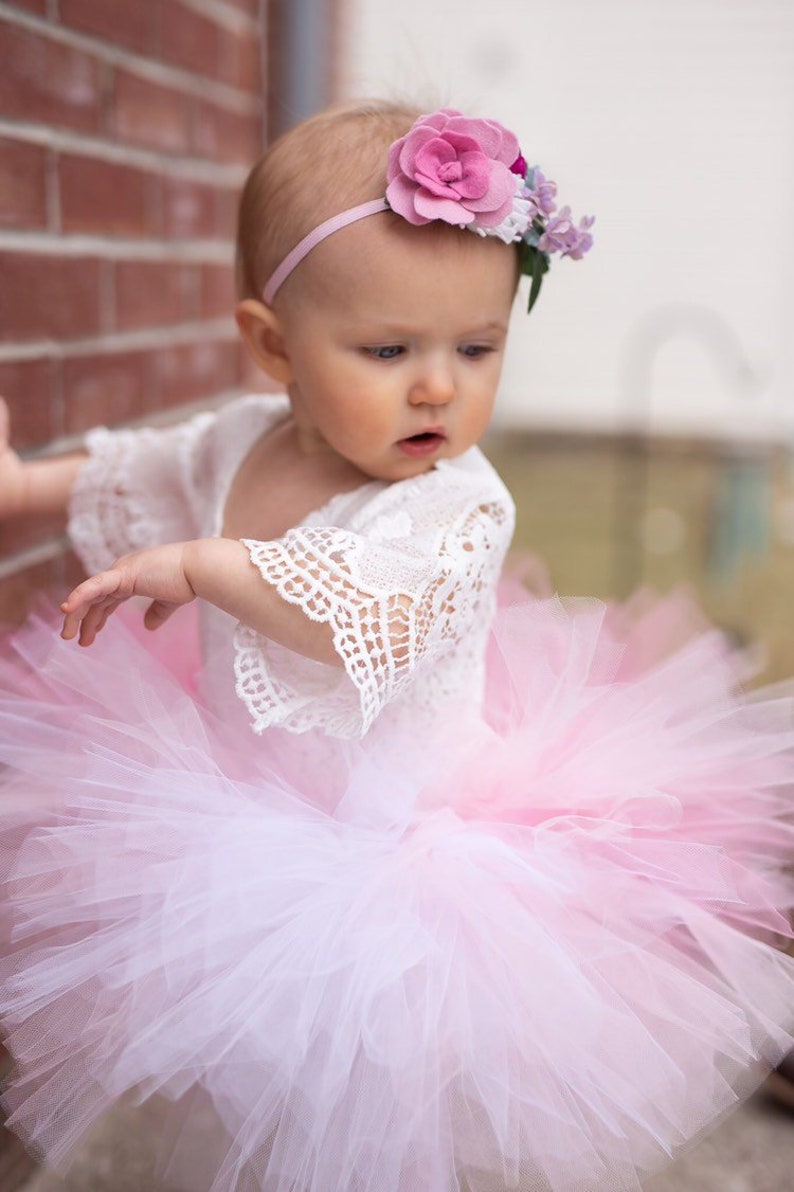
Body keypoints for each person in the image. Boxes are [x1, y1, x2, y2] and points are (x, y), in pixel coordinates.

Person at [0, 99, 792, 1192]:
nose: (437, 384)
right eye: (387, 349)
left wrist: (206, 567)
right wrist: (25, 486)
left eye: (476, 347)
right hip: (247, 823)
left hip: (404, 856)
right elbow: (134, 467)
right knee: (261, 1081)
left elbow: (365, 612)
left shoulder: (458, 505)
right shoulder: (238, 442)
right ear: (271, 346)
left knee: (381, 1103)